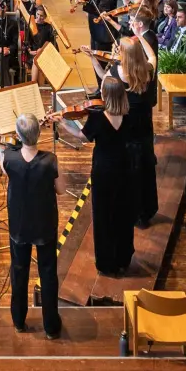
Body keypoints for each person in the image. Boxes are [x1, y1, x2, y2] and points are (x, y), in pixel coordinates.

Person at [0, 113, 62, 339]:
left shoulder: (10, 159)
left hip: (19, 225)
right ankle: (51, 327)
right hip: (45, 224)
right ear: (39, 134)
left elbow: (4, 164)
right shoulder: (50, 160)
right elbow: (60, 189)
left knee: (19, 271)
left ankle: (19, 320)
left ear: (19, 136)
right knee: (48, 274)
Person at [82, 77, 136, 275]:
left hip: (103, 171)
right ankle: (123, 258)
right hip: (124, 169)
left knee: (103, 216)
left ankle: (106, 262)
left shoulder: (97, 119)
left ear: (105, 95)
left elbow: (82, 136)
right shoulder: (129, 117)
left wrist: (61, 123)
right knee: (123, 213)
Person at [118, 35, 159, 228]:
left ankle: (132, 213)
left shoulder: (117, 72)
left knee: (130, 173)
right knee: (146, 168)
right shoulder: (147, 71)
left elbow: (103, 82)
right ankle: (146, 212)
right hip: (145, 130)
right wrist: (140, 36)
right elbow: (152, 56)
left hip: (128, 133)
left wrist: (94, 59)